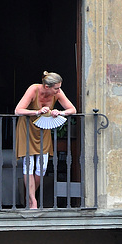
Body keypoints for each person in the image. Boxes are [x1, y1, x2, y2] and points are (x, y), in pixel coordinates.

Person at [15, 71, 76, 208]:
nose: (59, 90)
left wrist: (60, 112)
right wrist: (36, 112)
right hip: (27, 128)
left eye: (59, 87)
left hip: (44, 129)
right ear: (47, 87)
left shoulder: (57, 93)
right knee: (29, 165)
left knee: (42, 167)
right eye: (56, 88)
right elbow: (18, 110)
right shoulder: (34, 89)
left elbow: (72, 109)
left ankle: (28, 196)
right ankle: (32, 200)